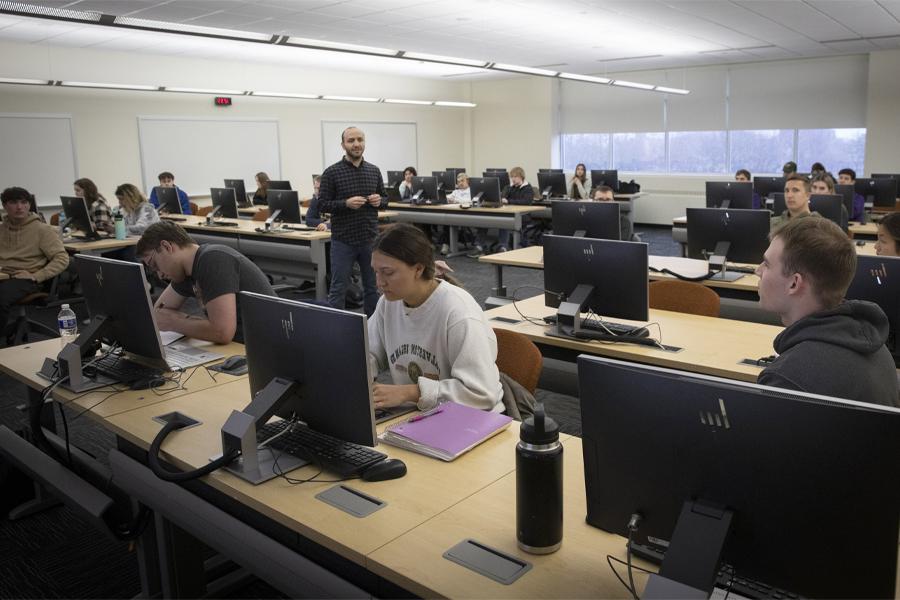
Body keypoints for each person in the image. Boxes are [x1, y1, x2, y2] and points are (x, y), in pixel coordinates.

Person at [755, 217, 898, 407]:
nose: (758, 270)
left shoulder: (786, 380)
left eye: (767, 264)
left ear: (794, 283)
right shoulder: (876, 347)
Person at [368, 223, 503, 413]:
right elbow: (369, 353)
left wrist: (411, 392)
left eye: (388, 272)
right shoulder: (388, 303)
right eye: (376, 271)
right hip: (420, 413)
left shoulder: (459, 312)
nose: (379, 282)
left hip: (471, 419)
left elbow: (481, 393)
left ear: (418, 269)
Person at [136, 221, 275, 344]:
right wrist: (191, 323)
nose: (159, 275)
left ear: (167, 246)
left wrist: (175, 322)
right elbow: (159, 312)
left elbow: (222, 332)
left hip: (266, 348)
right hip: (237, 346)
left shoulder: (213, 260)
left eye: (154, 264)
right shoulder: (183, 271)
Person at [317, 126, 386, 316]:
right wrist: (345, 204)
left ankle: (373, 329)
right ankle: (334, 330)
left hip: (369, 239)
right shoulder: (332, 173)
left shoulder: (374, 171)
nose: (356, 144)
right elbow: (322, 204)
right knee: (338, 288)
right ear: (343, 145)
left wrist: (380, 201)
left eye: (360, 139)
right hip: (343, 240)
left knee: (373, 287)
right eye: (351, 140)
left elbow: (385, 199)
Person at [0, 187, 69, 346]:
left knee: (0, 298)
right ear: (5, 206)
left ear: (29, 205)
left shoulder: (42, 230)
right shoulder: (1, 229)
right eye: (13, 203)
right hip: (3, 275)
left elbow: (62, 258)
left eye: (24, 202)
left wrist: (36, 276)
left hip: (27, 278)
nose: (19, 207)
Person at [495, 166, 535, 252]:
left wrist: (509, 201)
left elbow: (525, 202)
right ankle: (503, 247)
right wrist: (506, 193)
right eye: (512, 177)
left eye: (515, 177)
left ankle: (504, 246)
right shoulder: (510, 187)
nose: (513, 179)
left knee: (505, 222)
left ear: (521, 177)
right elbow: (502, 198)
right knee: (503, 222)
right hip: (511, 213)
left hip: (523, 215)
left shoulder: (528, 188)